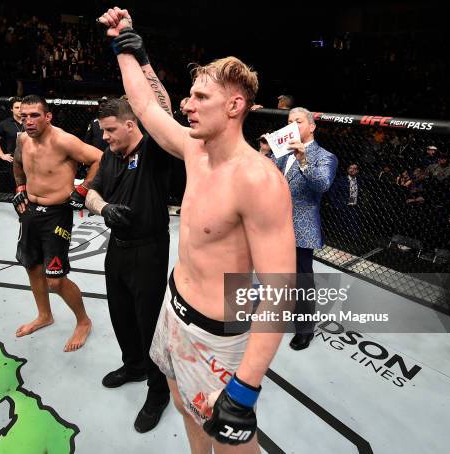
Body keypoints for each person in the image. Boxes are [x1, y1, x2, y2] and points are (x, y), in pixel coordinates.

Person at [98, 8, 295, 452]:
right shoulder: (194, 149)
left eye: (199, 97)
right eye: (189, 95)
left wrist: (245, 389)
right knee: (185, 408)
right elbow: (146, 107)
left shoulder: (258, 181)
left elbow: (282, 291)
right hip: (173, 309)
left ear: (234, 106)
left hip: (218, 337)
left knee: (231, 443)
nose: (186, 105)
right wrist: (125, 42)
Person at [85, 97, 173, 433]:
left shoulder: (153, 150)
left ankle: (159, 389)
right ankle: (133, 365)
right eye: (103, 130)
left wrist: (141, 63)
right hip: (117, 247)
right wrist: (104, 208)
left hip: (149, 249)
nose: (104, 137)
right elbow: (91, 192)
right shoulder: (109, 156)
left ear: (130, 125)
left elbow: (162, 114)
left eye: (109, 130)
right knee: (120, 312)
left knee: (149, 321)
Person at [12, 94, 102, 352]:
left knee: (55, 280)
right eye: (24, 116)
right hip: (30, 211)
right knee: (31, 267)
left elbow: (100, 158)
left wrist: (83, 189)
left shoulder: (63, 140)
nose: (28, 121)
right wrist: (19, 186)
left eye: (35, 115)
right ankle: (44, 315)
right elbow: (18, 161)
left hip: (56, 214)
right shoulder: (22, 139)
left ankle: (83, 321)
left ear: (48, 116)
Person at [266, 107, 337, 350]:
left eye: (297, 121)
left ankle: (305, 329)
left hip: (301, 228)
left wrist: (303, 160)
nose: (292, 125)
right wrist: (265, 152)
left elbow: (323, 184)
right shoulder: (282, 153)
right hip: (275, 224)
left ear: (311, 126)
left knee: (302, 281)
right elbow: (267, 177)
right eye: (289, 121)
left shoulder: (325, 156)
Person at [0, 97, 23, 190]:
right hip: (14, 160)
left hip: (31, 159)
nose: (20, 109)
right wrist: (2, 155)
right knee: (17, 187)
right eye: (17, 107)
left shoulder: (30, 121)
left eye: (22, 107)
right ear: (11, 109)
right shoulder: (5, 124)